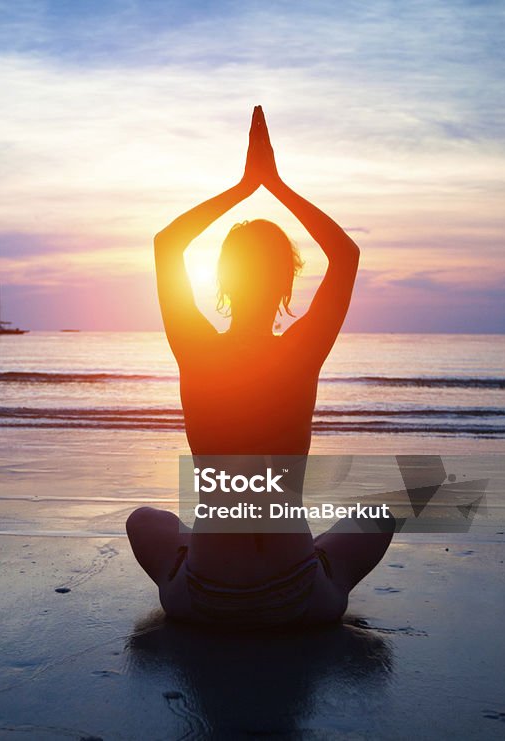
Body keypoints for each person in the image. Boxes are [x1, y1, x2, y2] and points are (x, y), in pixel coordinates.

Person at [126, 105, 393, 628]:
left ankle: (192, 563)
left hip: (203, 601)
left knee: (146, 521)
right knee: (377, 516)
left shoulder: (196, 348)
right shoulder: (301, 352)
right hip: (296, 602)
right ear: (287, 286)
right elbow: (345, 255)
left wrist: (244, 185)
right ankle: (317, 565)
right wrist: (275, 184)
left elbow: (167, 244)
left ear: (223, 283)